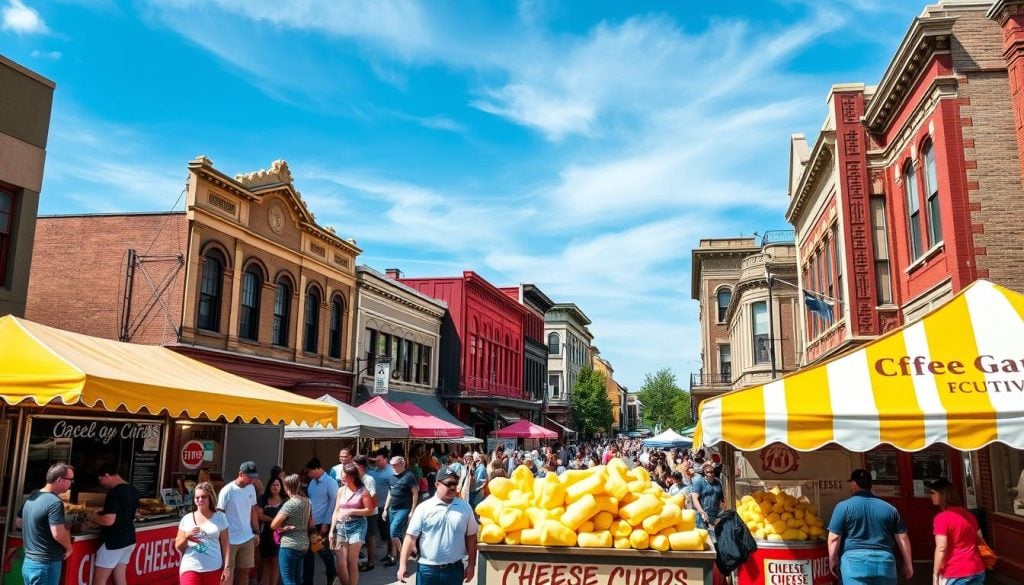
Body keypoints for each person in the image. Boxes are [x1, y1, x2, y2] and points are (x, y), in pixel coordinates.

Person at [828, 469, 913, 585]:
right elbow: (902, 538)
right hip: (885, 562)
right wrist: (908, 563)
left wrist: (832, 560)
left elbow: (834, 537)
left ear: (853, 484)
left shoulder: (843, 507)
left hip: (854, 563)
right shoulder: (890, 508)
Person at [396, 468, 478, 585]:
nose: (453, 487)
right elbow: (410, 538)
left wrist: (471, 564)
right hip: (428, 570)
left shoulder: (465, 508)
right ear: (437, 484)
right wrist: (403, 565)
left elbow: (471, 536)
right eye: (448, 484)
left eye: (455, 484)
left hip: (454, 570)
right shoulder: (424, 508)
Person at [21, 463, 74, 585]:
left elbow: (20, 523)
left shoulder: (32, 497)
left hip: (30, 562)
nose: (71, 483)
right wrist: (69, 548)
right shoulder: (54, 502)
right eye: (70, 480)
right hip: (46, 564)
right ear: (60, 480)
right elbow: (58, 533)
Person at [88, 464, 140, 585]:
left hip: (113, 542)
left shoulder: (115, 492)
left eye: (100, 480)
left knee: (99, 581)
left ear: (106, 475)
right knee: (120, 579)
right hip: (129, 539)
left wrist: (90, 516)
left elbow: (108, 520)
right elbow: (136, 514)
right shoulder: (133, 490)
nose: (101, 484)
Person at [926, 478, 985, 585]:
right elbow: (979, 536)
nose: (930, 495)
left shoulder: (942, 518)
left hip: (955, 571)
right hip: (976, 568)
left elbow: (941, 548)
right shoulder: (968, 515)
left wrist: (935, 574)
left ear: (943, 495)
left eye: (933, 493)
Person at [175, 482, 230, 585]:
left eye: (203, 497)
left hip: (213, 567)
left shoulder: (220, 517)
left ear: (210, 498)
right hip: (190, 566)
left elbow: (225, 543)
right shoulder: (187, 519)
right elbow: (178, 546)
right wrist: (187, 537)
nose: (200, 500)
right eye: (197, 497)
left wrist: (226, 566)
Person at [330, 463, 376, 585]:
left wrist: (352, 511)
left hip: (358, 526)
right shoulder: (341, 490)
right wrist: (331, 531)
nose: (341, 478)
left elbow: (370, 510)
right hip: (341, 526)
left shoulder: (363, 491)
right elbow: (336, 511)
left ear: (352, 476)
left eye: (344, 476)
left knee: (352, 560)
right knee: (341, 562)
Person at [217, 461, 260, 585]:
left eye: (254, 477)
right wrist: (222, 537)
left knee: (244, 571)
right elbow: (220, 513)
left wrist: (256, 532)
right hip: (230, 539)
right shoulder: (227, 490)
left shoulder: (251, 488)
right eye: (250, 477)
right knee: (227, 573)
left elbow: (253, 510)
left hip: (247, 537)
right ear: (241, 474)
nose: (252, 480)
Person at [271, 474, 313, 585]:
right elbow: (311, 522)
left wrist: (284, 528)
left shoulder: (290, 504)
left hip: (290, 544)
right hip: (304, 543)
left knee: (288, 579)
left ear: (287, 487)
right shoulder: (307, 501)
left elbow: (274, 525)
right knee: (297, 578)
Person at [303, 458, 338, 585]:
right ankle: (307, 581)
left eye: (311, 471)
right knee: (308, 553)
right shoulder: (312, 482)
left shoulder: (330, 482)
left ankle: (332, 576)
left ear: (318, 469)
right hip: (311, 522)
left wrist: (326, 523)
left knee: (323, 552)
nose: (309, 474)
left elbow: (333, 503)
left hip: (322, 523)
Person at [382, 456, 419, 567]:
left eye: (395, 465)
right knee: (396, 533)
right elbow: (390, 493)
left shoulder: (409, 476)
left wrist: (412, 510)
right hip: (392, 509)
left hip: (403, 509)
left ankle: (403, 555)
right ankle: (406, 551)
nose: (392, 467)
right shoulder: (392, 477)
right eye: (391, 464)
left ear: (402, 464)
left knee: (394, 532)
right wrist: (385, 509)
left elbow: (415, 493)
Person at [257, 476, 287, 585]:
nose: (275, 487)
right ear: (269, 486)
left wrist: (277, 523)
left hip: (280, 535)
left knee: (275, 562)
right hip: (266, 534)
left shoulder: (285, 500)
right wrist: (273, 520)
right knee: (266, 562)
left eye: (277, 485)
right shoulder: (263, 499)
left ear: (281, 487)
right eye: (273, 484)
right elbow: (259, 515)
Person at [365, 451, 393, 567]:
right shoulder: (374, 471)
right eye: (375, 460)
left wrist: (387, 507)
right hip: (375, 507)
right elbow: (365, 467)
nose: (376, 462)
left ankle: (391, 553)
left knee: (388, 533)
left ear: (386, 459)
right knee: (373, 533)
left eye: (379, 460)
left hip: (386, 507)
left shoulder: (391, 472)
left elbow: (393, 491)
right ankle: (374, 555)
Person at [352, 455, 379, 572]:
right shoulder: (354, 478)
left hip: (370, 512)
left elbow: (372, 497)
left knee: (369, 536)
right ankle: (356, 562)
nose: (352, 466)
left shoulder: (369, 479)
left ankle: (371, 561)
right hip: (358, 512)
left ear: (361, 466)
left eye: (354, 464)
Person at [691, 462, 724, 529]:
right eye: (708, 472)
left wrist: (722, 512)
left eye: (712, 472)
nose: (710, 474)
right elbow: (694, 498)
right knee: (704, 535)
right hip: (703, 515)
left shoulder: (718, 483)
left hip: (716, 515)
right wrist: (701, 512)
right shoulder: (699, 483)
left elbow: (722, 499)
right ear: (704, 473)